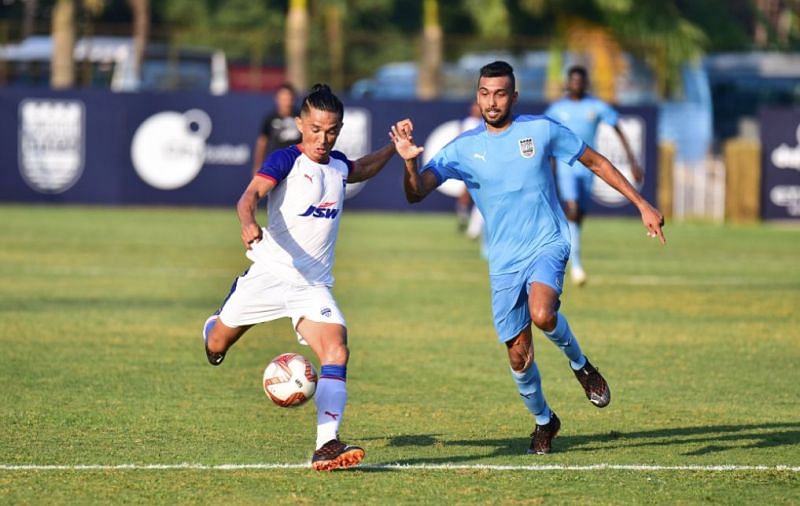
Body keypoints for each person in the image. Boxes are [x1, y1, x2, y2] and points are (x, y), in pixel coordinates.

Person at [391, 61, 665, 455]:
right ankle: (544, 422)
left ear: (514, 96)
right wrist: (408, 161)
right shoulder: (462, 149)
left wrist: (642, 204)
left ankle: (581, 366)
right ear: (477, 96)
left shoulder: (540, 130)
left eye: (500, 93)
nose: (491, 101)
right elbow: (416, 192)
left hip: (547, 242)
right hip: (503, 260)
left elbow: (596, 162)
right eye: (485, 93)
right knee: (519, 357)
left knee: (543, 313)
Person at [203, 83, 408, 471]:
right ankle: (214, 325)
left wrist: (392, 151)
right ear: (300, 124)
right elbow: (248, 197)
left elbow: (360, 168)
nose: (323, 138)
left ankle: (326, 445)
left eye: (331, 130)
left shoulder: (337, 166)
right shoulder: (286, 161)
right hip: (268, 273)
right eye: (315, 129)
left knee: (337, 349)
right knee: (216, 346)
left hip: (312, 286)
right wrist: (248, 223)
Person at [545, 65, 644, 286]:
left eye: (580, 81)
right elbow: (547, 137)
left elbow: (617, 128)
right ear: (567, 83)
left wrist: (633, 161)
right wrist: (548, 167)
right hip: (565, 167)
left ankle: (571, 252)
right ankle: (576, 265)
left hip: (588, 168)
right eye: (573, 80)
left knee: (579, 215)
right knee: (571, 209)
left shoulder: (596, 106)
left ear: (585, 83)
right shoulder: (556, 109)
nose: (576, 84)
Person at [251, 83, 302, 175]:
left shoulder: (300, 117)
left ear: (293, 99)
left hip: (297, 163)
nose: (286, 101)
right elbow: (262, 142)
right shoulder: (270, 118)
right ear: (277, 99)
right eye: (283, 98)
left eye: (289, 98)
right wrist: (257, 165)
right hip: (276, 164)